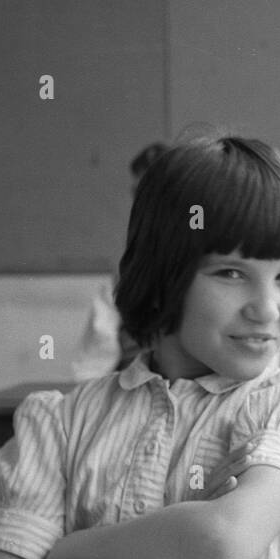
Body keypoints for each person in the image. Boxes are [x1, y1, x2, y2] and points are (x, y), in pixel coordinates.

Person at [0, 134, 280, 559]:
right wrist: (179, 531)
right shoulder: (61, 424)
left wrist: (58, 554)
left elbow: (221, 540)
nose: (267, 308)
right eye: (231, 273)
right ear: (163, 274)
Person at [71, 142, 166, 380]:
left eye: (153, 192)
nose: (145, 203)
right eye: (138, 193)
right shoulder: (127, 271)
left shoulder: (210, 262)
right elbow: (96, 358)